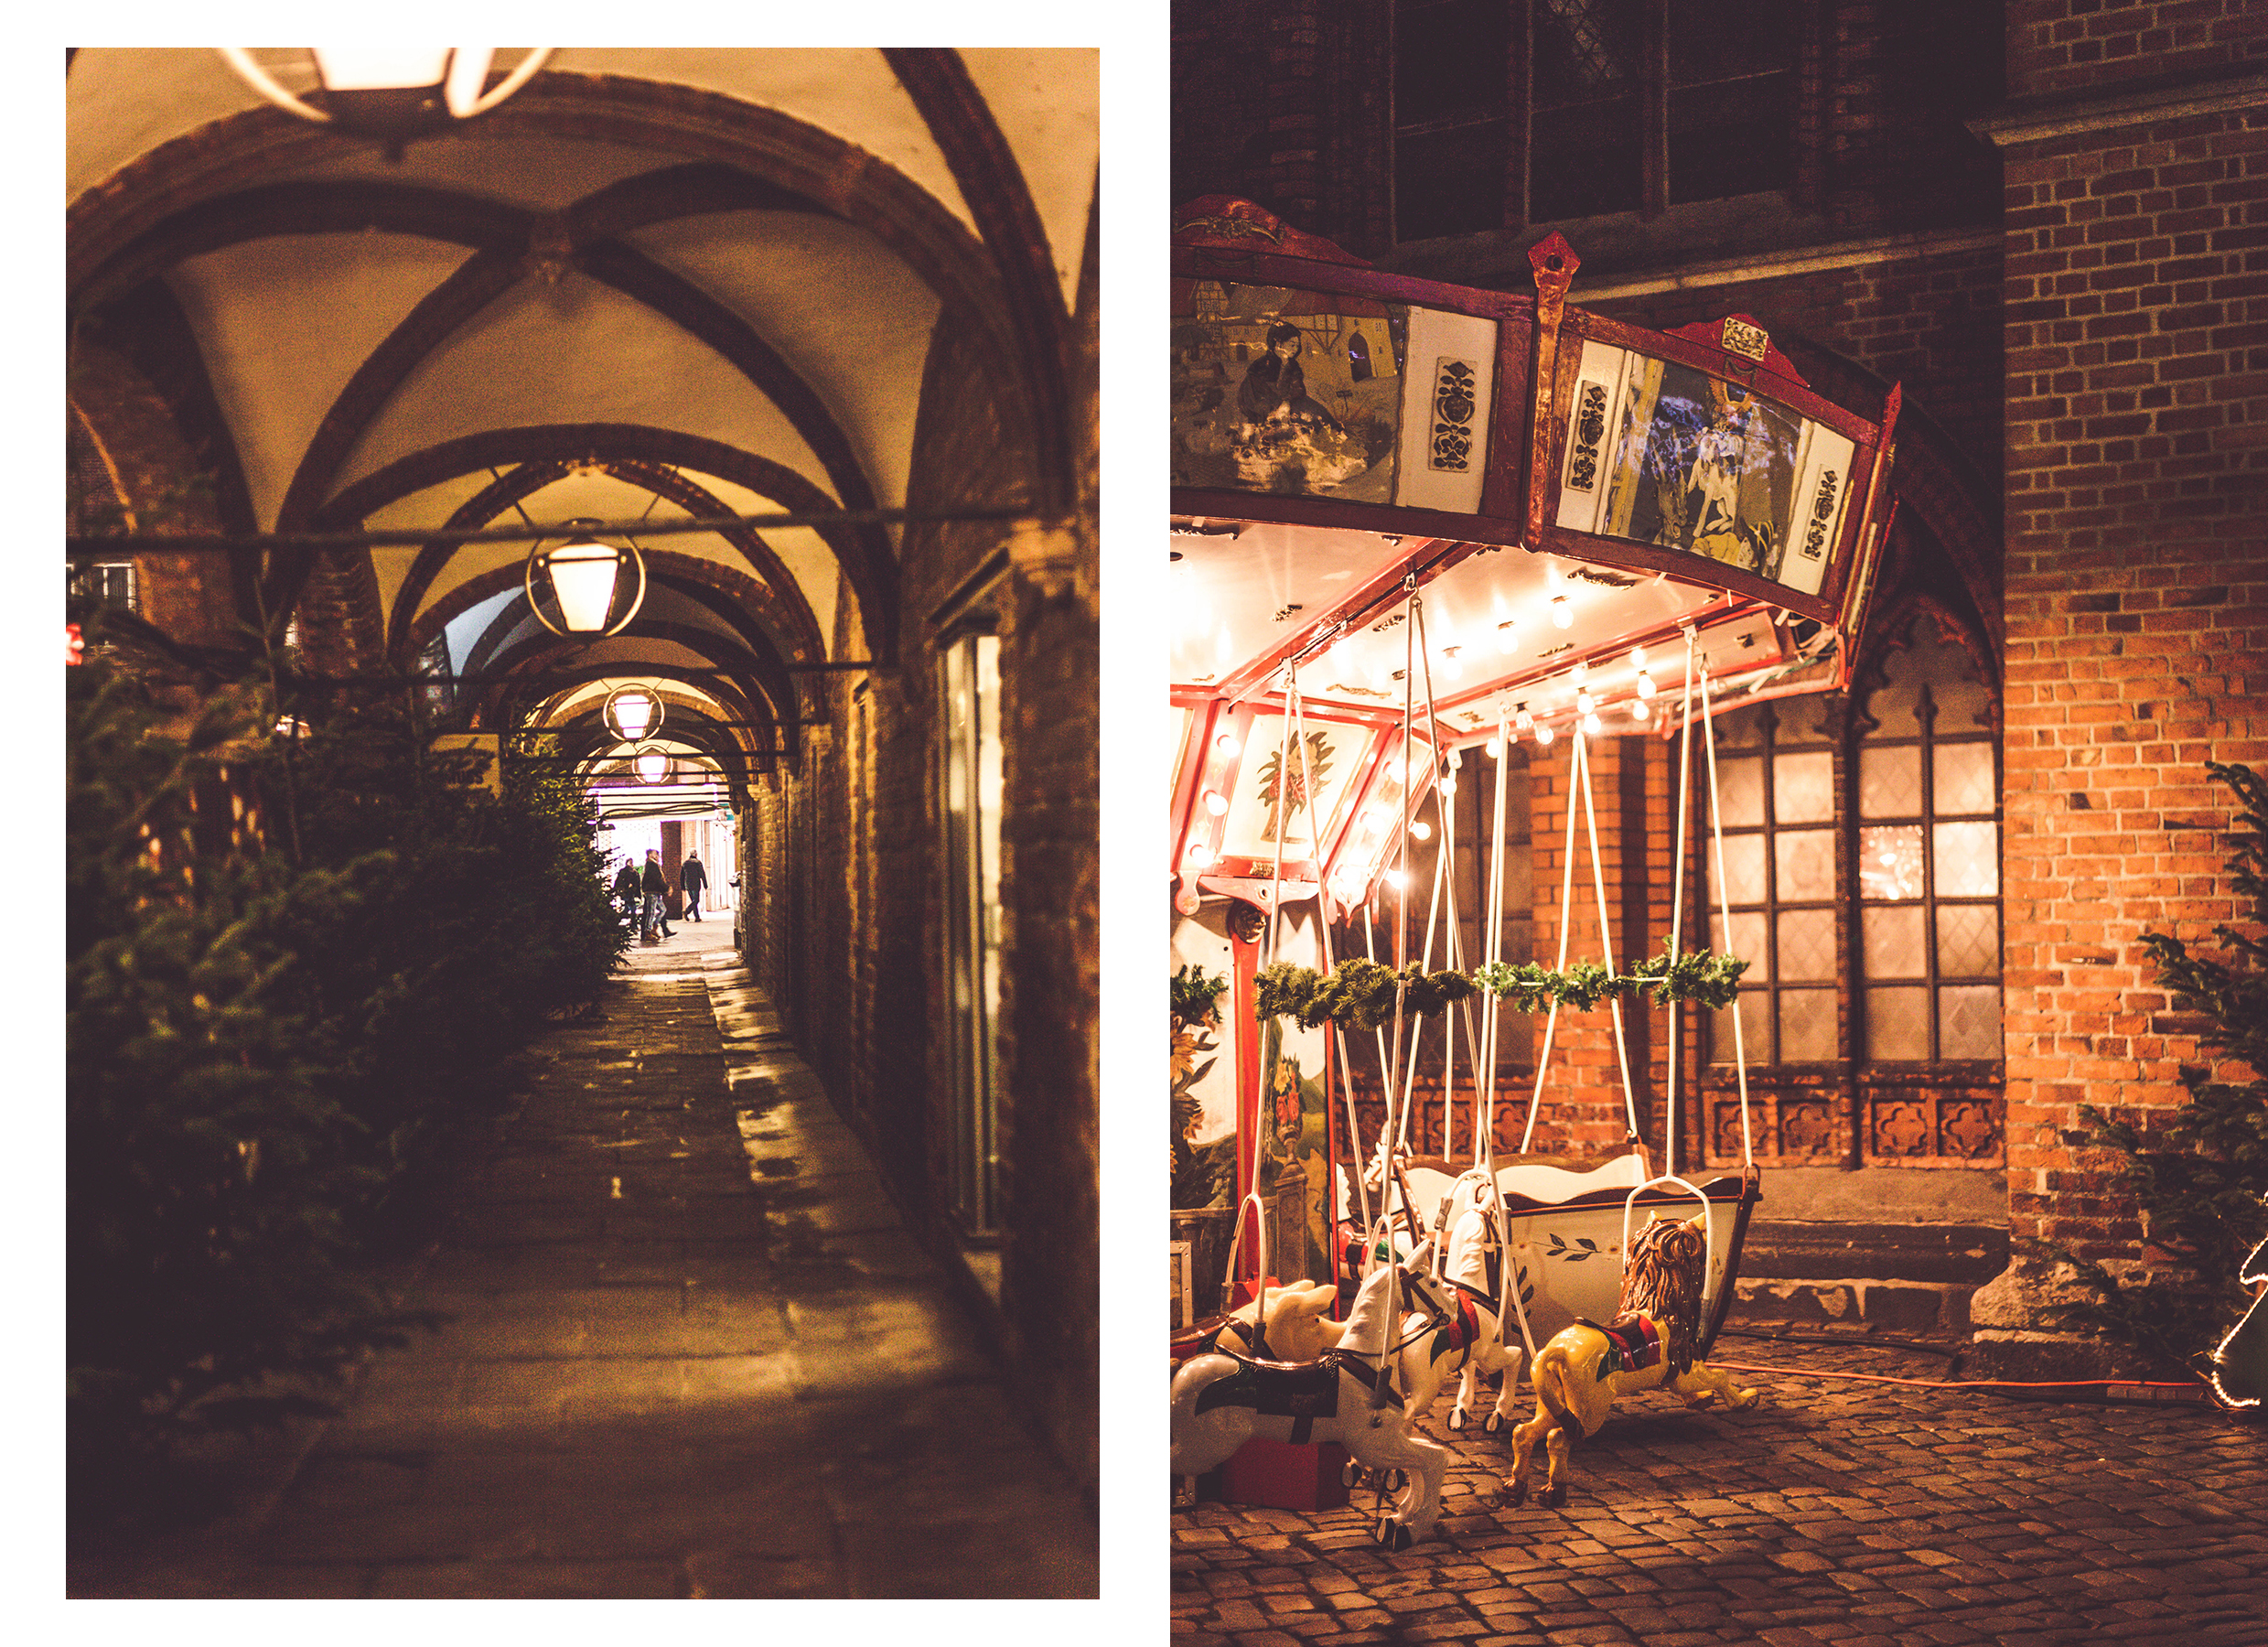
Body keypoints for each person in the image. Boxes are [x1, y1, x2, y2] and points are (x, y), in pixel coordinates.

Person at [641, 848, 673, 940]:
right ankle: (648, 931)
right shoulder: (651, 865)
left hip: (655, 892)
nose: (658, 856)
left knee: (663, 909)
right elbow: (657, 879)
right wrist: (667, 888)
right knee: (651, 912)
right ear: (651, 855)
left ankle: (654, 927)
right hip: (651, 892)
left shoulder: (654, 865)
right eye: (656, 854)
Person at [611, 856, 641, 931]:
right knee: (632, 908)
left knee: (628, 909)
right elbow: (636, 885)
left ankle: (616, 920)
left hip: (628, 893)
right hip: (628, 893)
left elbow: (618, 882)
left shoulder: (628, 872)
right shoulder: (632, 873)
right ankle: (633, 924)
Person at [680, 853, 708, 921]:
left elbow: (682, 876)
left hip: (688, 884)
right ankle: (687, 911)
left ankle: (697, 917)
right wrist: (705, 884)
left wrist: (682, 886)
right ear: (696, 855)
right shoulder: (697, 863)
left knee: (693, 900)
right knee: (696, 900)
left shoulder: (685, 863)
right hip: (696, 884)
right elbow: (702, 874)